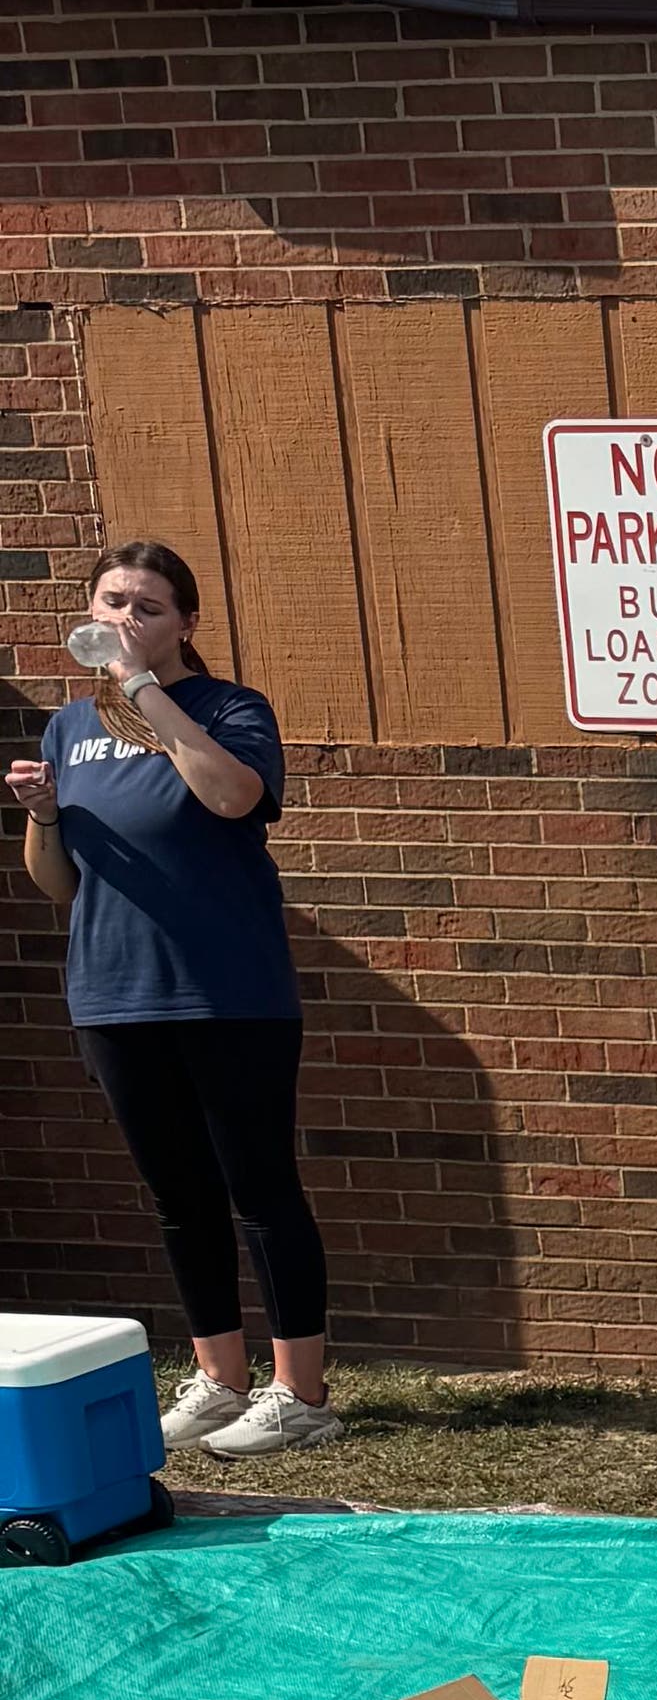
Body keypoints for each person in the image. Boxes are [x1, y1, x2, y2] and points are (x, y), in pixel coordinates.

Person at [9, 542, 337, 1459]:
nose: (126, 620)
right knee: (178, 1196)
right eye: (112, 602)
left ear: (186, 622)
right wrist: (42, 817)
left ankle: (300, 1393)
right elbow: (62, 885)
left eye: (147, 607)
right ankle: (221, 1378)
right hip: (114, 994)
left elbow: (233, 797)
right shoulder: (69, 728)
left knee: (260, 1189)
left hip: (227, 992)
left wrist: (144, 690)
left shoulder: (230, 709)